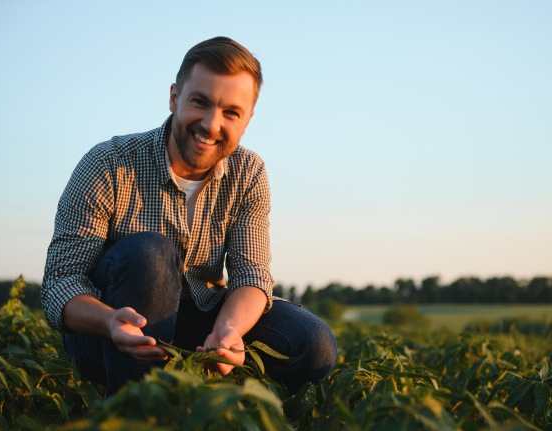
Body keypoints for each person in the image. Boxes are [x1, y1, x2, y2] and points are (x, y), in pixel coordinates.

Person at [40, 37, 337, 396]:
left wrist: (228, 330)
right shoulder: (108, 164)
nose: (212, 125)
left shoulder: (250, 173)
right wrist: (108, 321)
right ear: (174, 98)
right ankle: (137, 415)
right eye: (200, 102)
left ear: (248, 120)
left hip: (199, 317)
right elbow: (61, 281)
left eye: (231, 112)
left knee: (312, 343)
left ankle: (210, 389)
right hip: (109, 331)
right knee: (150, 252)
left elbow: (252, 275)